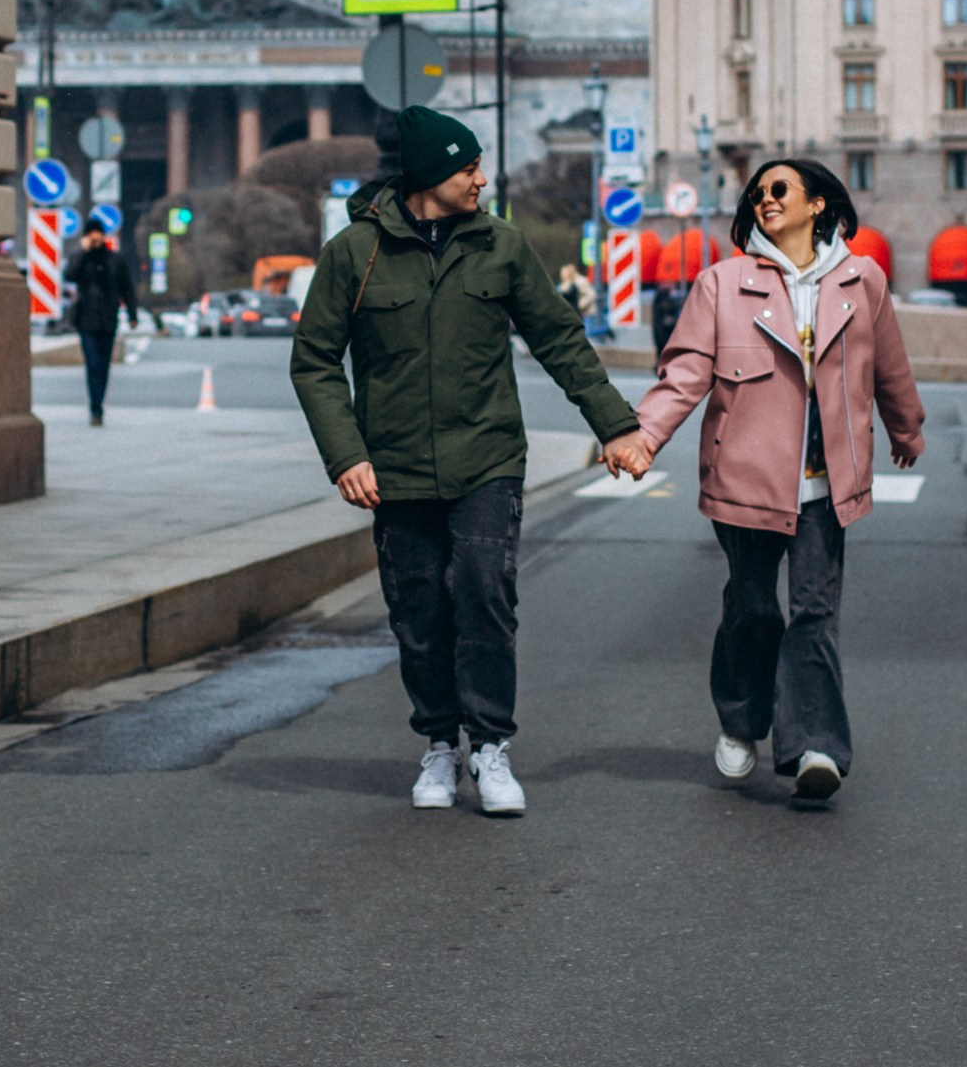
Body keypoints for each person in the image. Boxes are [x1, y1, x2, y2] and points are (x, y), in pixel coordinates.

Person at [291, 105, 644, 817]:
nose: (483, 179)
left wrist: (617, 427)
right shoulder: (352, 255)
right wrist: (346, 457)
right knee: (418, 612)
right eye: (469, 168)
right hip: (393, 469)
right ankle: (438, 746)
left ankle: (489, 746)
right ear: (427, 175)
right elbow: (315, 363)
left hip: (485, 459)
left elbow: (560, 341)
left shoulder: (501, 247)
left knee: (484, 594)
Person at [627, 159, 924, 801]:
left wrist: (907, 429)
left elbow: (889, 368)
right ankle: (740, 723)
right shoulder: (722, 283)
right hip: (746, 481)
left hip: (826, 484)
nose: (767, 198)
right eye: (758, 192)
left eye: (780, 188)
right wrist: (646, 435)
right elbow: (684, 372)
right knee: (754, 609)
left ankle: (814, 746)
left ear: (818, 204)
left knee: (815, 613)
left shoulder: (862, 279)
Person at [64, 229, 141, 427]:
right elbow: (69, 274)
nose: (96, 239)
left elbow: (127, 288)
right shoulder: (82, 258)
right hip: (86, 321)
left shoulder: (114, 259)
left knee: (104, 366)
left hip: (108, 319)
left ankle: (98, 405)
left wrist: (133, 315)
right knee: (93, 364)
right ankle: (95, 408)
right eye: (92, 236)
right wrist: (84, 251)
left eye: (98, 235)